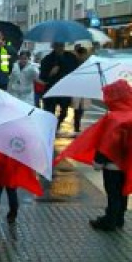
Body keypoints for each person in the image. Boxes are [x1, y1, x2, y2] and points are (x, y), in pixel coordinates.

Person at [55, 80, 132, 231]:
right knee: (123, 192)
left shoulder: (113, 118)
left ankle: (109, 220)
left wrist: (99, 160)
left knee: (113, 193)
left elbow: (106, 142)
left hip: (112, 164)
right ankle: (119, 218)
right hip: (127, 163)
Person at [39, 42, 79, 132]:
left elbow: (75, 71)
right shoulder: (47, 59)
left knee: (64, 112)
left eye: (61, 45)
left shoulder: (70, 57)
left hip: (65, 89)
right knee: (49, 112)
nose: (60, 48)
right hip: (51, 89)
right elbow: (42, 77)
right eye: (57, 46)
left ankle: (57, 124)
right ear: (53, 46)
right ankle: (50, 128)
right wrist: (50, 73)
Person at [71, 46, 92, 135]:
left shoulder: (88, 63)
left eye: (85, 54)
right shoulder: (74, 63)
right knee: (77, 108)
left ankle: (77, 124)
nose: (84, 56)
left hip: (86, 88)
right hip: (76, 88)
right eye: (83, 54)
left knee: (83, 108)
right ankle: (76, 125)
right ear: (79, 54)